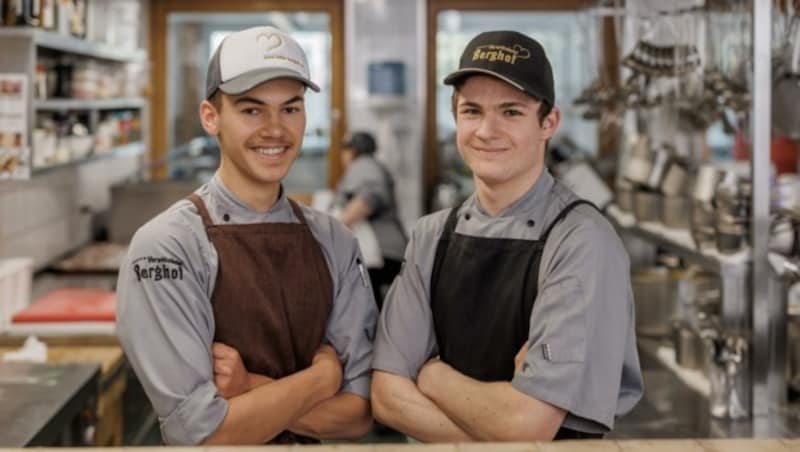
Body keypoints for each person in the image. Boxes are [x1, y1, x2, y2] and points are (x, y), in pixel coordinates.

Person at [370, 30, 643, 442]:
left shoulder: (581, 241)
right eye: (472, 111)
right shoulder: (431, 236)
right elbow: (387, 397)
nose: (487, 130)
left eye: (511, 112)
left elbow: (526, 425)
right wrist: (497, 432)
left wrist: (431, 373)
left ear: (548, 122)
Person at [116, 26, 377, 445]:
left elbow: (358, 414)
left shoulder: (335, 241)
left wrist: (251, 388)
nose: (275, 129)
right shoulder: (168, 246)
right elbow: (200, 433)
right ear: (211, 116)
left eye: (290, 109)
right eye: (252, 110)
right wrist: (322, 377)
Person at [334, 131, 408, 309]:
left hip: (381, 254)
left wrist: (334, 227)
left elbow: (369, 197)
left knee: (369, 312)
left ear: (351, 151)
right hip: (388, 252)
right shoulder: (372, 165)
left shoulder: (364, 165)